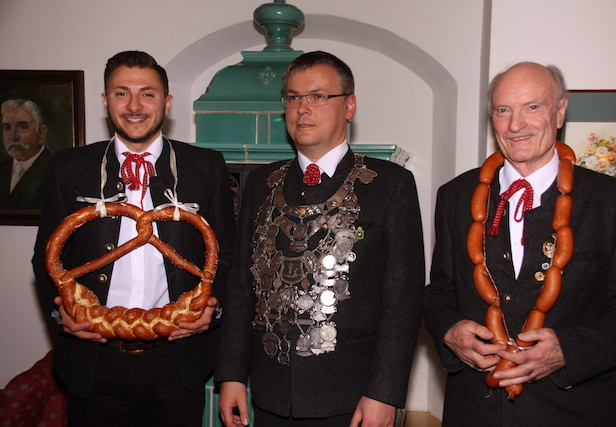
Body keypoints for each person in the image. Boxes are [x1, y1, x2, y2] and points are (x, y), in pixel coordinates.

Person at [423, 61, 616, 426]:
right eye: (503, 110)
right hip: (474, 412)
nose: (515, 124)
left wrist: (568, 349)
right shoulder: (456, 196)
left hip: (574, 413)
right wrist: (450, 330)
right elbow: (439, 291)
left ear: (560, 112)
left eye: (532, 107)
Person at [216, 51, 425, 426]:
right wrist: (231, 375)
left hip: (352, 396)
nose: (302, 108)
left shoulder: (391, 185)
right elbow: (240, 288)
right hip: (270, 393)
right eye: (293, 97)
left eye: (317, 96)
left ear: (349, 106)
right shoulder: (261, 184)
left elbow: (403, 301)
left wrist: (384, 392)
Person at [32, 51, 236, 426]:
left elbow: (226, 256)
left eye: (148, 93)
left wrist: (213, 308)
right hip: (94, 359)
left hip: (176, 360)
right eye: (121, 93)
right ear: (106, 101)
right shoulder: (69, 166)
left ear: (167, 102)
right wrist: (60, 313)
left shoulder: (206, 166)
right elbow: (44, 257)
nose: (135, 105)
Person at [0, 98, 53, 210]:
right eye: (7, 127)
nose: (13, 136)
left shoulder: (54, 170)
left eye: (22, 126)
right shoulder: (3, 169)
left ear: (41, 133)